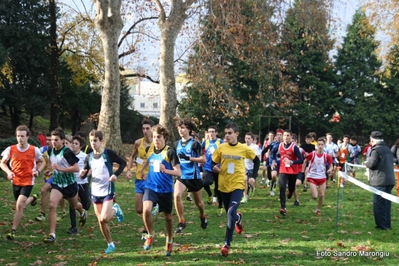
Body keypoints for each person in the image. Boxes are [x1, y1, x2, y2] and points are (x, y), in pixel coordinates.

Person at [211, 123, 260, 257]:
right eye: (226, 133)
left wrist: (253, 177)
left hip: (238, 185)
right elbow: (212, 162)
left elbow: (257, 161)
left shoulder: (243, 148)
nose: (227, 135)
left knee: (230, 212)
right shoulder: (221, 148)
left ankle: (227, 243)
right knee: (231, 214)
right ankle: (238, 218)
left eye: (230, 133)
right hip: (223, 185)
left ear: (237, 134)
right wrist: (214, 168)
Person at [81, 130, 126, 253]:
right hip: (95, 191)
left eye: (95, 140)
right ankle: (110, 244)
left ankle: (116, 209)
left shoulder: (108, 153)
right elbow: (85, 173)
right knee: (100, 220)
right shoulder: (88, 157)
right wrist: (82, 175)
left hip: (107, 190)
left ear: (101, 141)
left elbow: (123, 162)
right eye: (91, 141)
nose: (93, 143)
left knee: (105, 218)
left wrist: (116, 175)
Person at [139, 124, 181, 256]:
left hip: (165, 189)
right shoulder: (149, 150)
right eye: (154, 137)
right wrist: (141, 169)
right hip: (151, 187)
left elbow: (178, 172)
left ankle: (169, 240)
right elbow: (148, 160)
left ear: (165, 138)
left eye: (159, 137)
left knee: (168, 217)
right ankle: (150, 235)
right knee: (146, 210)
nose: (156, 139)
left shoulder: (170, 152)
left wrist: (165, 170)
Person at [1, 125, 45, 240]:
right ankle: (33, 198)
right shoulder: (10, 149)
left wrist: (38, 171)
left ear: (27, 137)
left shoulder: (34, 150)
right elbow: (2, 163)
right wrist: (8, 172)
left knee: (19, 205)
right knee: (20, 205)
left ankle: (13, 231)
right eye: (18, 136)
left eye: (22, 136)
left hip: (28, 181)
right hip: (15, 180)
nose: (20, 138)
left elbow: (42, 161)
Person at [43, 128, 87, 244]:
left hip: (70, 184)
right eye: (52, 140)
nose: (53, 142)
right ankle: (52, 234)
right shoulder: (50, 151)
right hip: (57, 183)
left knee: (74, 206)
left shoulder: (67, 152)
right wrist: (50, 171)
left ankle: (82, 212)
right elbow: (53, 165)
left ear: (63, 140)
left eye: (56, 140)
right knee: (52, 205)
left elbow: (76, 168)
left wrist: (60, 169)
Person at [174, 118, 207, 233]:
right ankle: (181, 221)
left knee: (198, 203)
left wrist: (189, 158)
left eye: (183, 128)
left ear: (189, 129)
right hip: (182, 176)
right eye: (179, 128)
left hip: (194, 177)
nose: (180, 130)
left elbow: (203, 159)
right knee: (177, 195)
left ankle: (202, 216)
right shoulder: (176, 144)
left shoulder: (194, 143)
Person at [126, 118, 156, 239]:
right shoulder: (138, 143)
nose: (145, 131)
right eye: (143, 129)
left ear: (152, 130)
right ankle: (152, 210)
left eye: (147, 128)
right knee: (139, 209)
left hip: (151, 179)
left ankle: (146, 230)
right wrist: (128, 170)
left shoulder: (156, 143)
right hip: (139, 179)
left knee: (145, 208)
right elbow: (133, 157)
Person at [364, 131, 395, 230]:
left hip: (380, 180)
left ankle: (381, 226)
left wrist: (366, 163)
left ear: (372, 140)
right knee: (386, 204)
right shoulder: (388, 149)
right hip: (390, 180)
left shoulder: (375, 150)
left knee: (378, 204)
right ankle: (387, 224)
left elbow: (372, 164)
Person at [271, 129, 303, 216]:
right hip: (283, 170)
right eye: (284, 135)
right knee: (282, 187)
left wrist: (291, 162)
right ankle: (283, 207)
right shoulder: (279, 145)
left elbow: (301, 160)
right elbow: (273, 152)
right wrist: (273, 161)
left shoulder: (294, 147)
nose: (286, 137)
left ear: (291, 137)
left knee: (291, 188)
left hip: (293, 171)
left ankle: (291, 192)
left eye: (288, 135)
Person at [67, 135, 91, 234]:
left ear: (80, 146)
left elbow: (91, 169)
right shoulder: (67, 155)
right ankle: (73, 227)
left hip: (82, 183)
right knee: (72, 205)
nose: (73, 145)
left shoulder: (85, 156)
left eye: (76, 144)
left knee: (86, 205)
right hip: (72, 183)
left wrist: (84, 175)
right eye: (72, 143)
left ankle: (83, 211)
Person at [304, 138, 333, 216]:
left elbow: (331, 166)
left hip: (322, 177)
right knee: (315, 196)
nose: (320, 146)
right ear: (317, 146)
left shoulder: (327, 156)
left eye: (322, 145)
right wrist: (303, 171)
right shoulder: (312, 154)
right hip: (312, 177)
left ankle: (318, 209)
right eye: (319, 144)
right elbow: (305, 161)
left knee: (322, 195)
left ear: (324, 146)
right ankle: (314, 189)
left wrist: (330, 170)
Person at [202, 126, 224, 216]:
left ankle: (220, 206)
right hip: (208, 167)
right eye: (209, 131)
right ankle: (210, 194)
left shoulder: (220, 142)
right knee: (204, 182)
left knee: (219, 188)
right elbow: (199, 149)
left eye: (213, 131)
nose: (211, 133)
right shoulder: (205, 142)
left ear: (216, 133)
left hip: (218, 168)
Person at [241, 132, 261, 203]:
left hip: (252, 167)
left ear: (252, 139)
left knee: (250, 183)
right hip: (245, 167)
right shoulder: (242, 146)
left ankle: (252, 188)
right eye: (246, 138)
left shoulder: (255, 147)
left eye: (249, 138)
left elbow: (258, 158)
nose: (247, 140)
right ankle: (245, 197)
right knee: (244, 180)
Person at [267, 129, 283, 196]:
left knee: (281, 178)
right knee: (273, 176)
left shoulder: (285, 144)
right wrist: (271, 162)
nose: (279, 136)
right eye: (278, 135)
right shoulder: (273, 144)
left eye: (280, 135)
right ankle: (271, 188)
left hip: (282, 163)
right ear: (276, 136)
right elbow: (269, 153)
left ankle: (280, 192)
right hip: (274, 163)